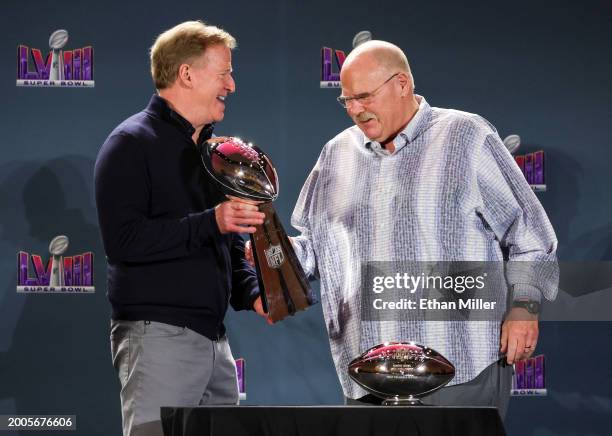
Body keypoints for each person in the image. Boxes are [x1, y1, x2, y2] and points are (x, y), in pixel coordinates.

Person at [289, 40, 558, 416]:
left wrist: (525, 306)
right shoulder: (336, 153)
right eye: (346, 100)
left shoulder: (467, 136)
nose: (355, 110)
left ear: (402, 84)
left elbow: (529, 235)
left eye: (364, 96)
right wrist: (267, 250)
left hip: (460, 365)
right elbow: (315, 249)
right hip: (367, 370)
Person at [94, 21, 267, 436]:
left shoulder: (212, 152)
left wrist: (254, 293)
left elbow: (224, 239)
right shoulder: (130, 143)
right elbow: (124, 242)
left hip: (215, 342)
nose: (233, 84)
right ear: (187, 74)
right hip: (158, 337)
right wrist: (213, 220)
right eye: (223, 72)